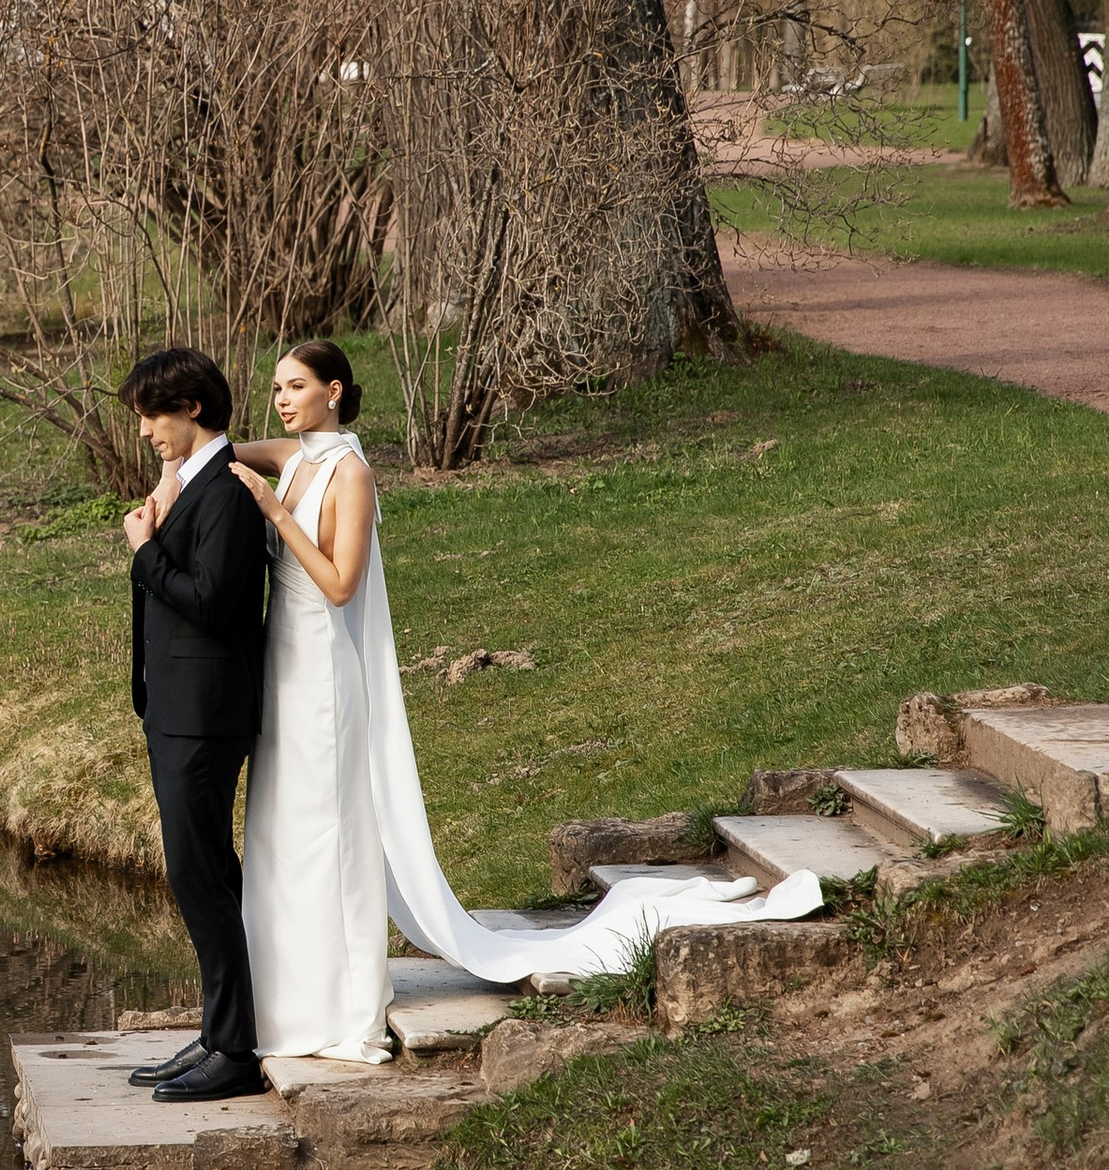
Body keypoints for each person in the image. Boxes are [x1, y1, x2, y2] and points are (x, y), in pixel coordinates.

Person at [228, 338, 823, 1046]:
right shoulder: (296, 458)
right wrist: (190, 456)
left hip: (325, 677)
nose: (282, 399)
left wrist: (274, 513)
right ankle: (281, 987)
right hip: (282, 673)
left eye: (295, 386)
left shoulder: (349, 474)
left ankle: (334, 996)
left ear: (334, 390)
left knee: (324, 829)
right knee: (282, 830)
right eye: (276, 388)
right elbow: (236, 449)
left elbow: (339, 584)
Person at [119, 343, 272, 1103]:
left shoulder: (231, 495)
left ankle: (236, 1050)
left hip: (207, 714)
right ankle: (220, 1030)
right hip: (177, 708)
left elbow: (211, 601)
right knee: (202, 872)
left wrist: (146, 552)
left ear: (193, 410)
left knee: (200, 874)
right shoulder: (193, 483)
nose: (145, 430)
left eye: (153, 416)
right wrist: (160, 510)